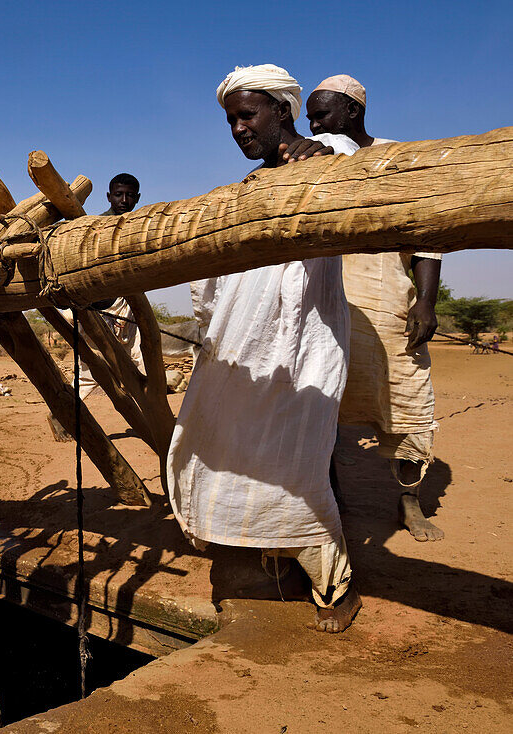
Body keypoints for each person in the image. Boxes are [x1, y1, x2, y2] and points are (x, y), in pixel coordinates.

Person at [167, 64, 362, 633]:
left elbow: (359, 174)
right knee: (222, 440)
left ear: (284, 111)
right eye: (230, 119)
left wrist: (317, 159)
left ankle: (336, 581)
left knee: (297, 461)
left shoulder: (328, 154)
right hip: (241, 346)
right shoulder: (251, 185)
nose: (237, 128)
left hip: (303, 343)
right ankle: (270, 554)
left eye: (246, 115)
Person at [307, 75, 444, 542]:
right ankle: (332, 496)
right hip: (326, 306)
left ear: (351, 112)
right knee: (320, 404)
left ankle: (409, 502)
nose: (313, 124)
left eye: (321, 115)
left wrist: (425, 301)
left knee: (406, 401)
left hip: (388, 305)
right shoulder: (315, 157)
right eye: (309, 116)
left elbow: (425, 238)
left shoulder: (396, 158)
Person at [46, 174, 145, 443]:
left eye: (129, 195)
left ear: (137, 198)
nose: (124, 200)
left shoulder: (137, 224)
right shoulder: (98, 227)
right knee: (93, 370)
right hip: (103, 308)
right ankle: (61, 415)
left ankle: (147, 420)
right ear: (109, 197)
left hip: (129, 305)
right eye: (119, 194)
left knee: (140, 361)